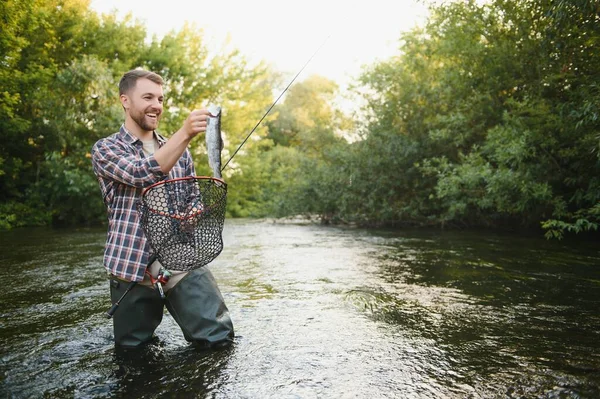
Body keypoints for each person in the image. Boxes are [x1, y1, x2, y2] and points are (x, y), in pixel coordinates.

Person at [91, 69, 234, 348]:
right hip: (131, 262)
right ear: (125, 100)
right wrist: (186, 132)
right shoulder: (105, 149)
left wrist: (193, 212)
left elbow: (192, 195)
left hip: (180, 255)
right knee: (134, 352)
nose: (156, 105)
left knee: (218, 339)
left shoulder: (179, 149)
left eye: (160, 98)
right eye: (147, 97)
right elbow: (142, 173)